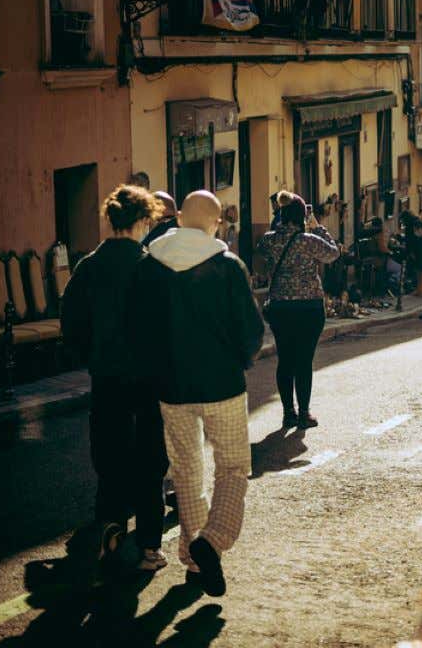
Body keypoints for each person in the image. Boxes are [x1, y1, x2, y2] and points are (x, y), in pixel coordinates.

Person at [129, 190, 265, 596]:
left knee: (186, 472)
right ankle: (213, 540)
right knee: (233, 468)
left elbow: (139, 330)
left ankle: (193, 560)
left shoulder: (149, 266)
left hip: (171, 388)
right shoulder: (227, 266)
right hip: (222, 384)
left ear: (181, 218)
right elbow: (250, 331)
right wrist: (243, 359)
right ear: (215, 222)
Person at [62, 185, 169, 573]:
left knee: (109, 457)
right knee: (150, 460)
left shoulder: (88, 266)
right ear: (142, 221)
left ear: (111, 220)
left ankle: (110, 534)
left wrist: (91, 356)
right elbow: (167, 325)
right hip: (149, 379)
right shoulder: (152, 266)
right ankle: (148, 549)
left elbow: (70, 322)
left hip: (106, 376)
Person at [256, 193, 340, 429]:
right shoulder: (308, 240)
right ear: (302, 216)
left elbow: (260, 260)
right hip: (309, 307)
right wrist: (318, 227)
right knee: (304, 360)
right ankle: (304, 413)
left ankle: (287, 413)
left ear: (282, 216)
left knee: (285, 360)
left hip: (281, 307)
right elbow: (333, 253)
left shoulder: (268, 240)